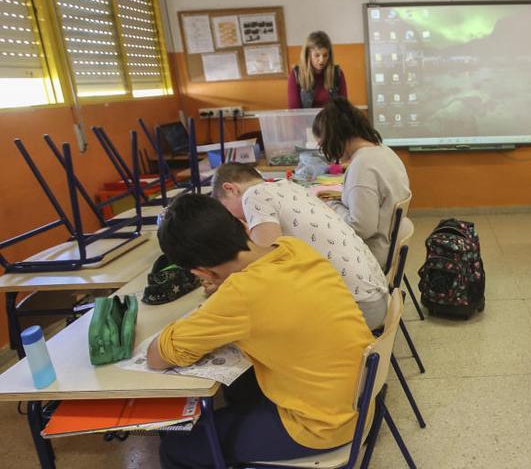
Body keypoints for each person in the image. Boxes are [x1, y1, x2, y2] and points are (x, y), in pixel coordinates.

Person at [146, 194, 374, 468]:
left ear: (202, 273)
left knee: (177, 444)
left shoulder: (239, 294)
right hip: (359, 403)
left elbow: (158, 357)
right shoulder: (293, 248)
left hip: (319, 426)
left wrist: (221, 296)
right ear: (242, 225)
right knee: (241, 385)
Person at [212, 162, 389, 329]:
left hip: (357, 310)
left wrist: (223, 279)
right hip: (377, 297)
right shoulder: (290, 186)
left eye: (226, 209)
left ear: (230, 188)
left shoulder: (253, 195)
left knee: (261, 322)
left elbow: (265, 268)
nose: (234, 220)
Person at [313, 97, 411, 270]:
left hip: (369, 256)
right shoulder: (384, 151)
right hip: (387, 246)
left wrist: (332, 206)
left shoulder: (363, 166)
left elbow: (361, 228)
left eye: (322, 144)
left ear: (333, 137)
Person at [288, 31, 347, 109]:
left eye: (325, 55)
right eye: (317, 55)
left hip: (332, 120)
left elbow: (344, 108)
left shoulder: (337, 74)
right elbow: (294, 112)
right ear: (308, 55)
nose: (321, 60)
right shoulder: (296, 75)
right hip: (306, 121)